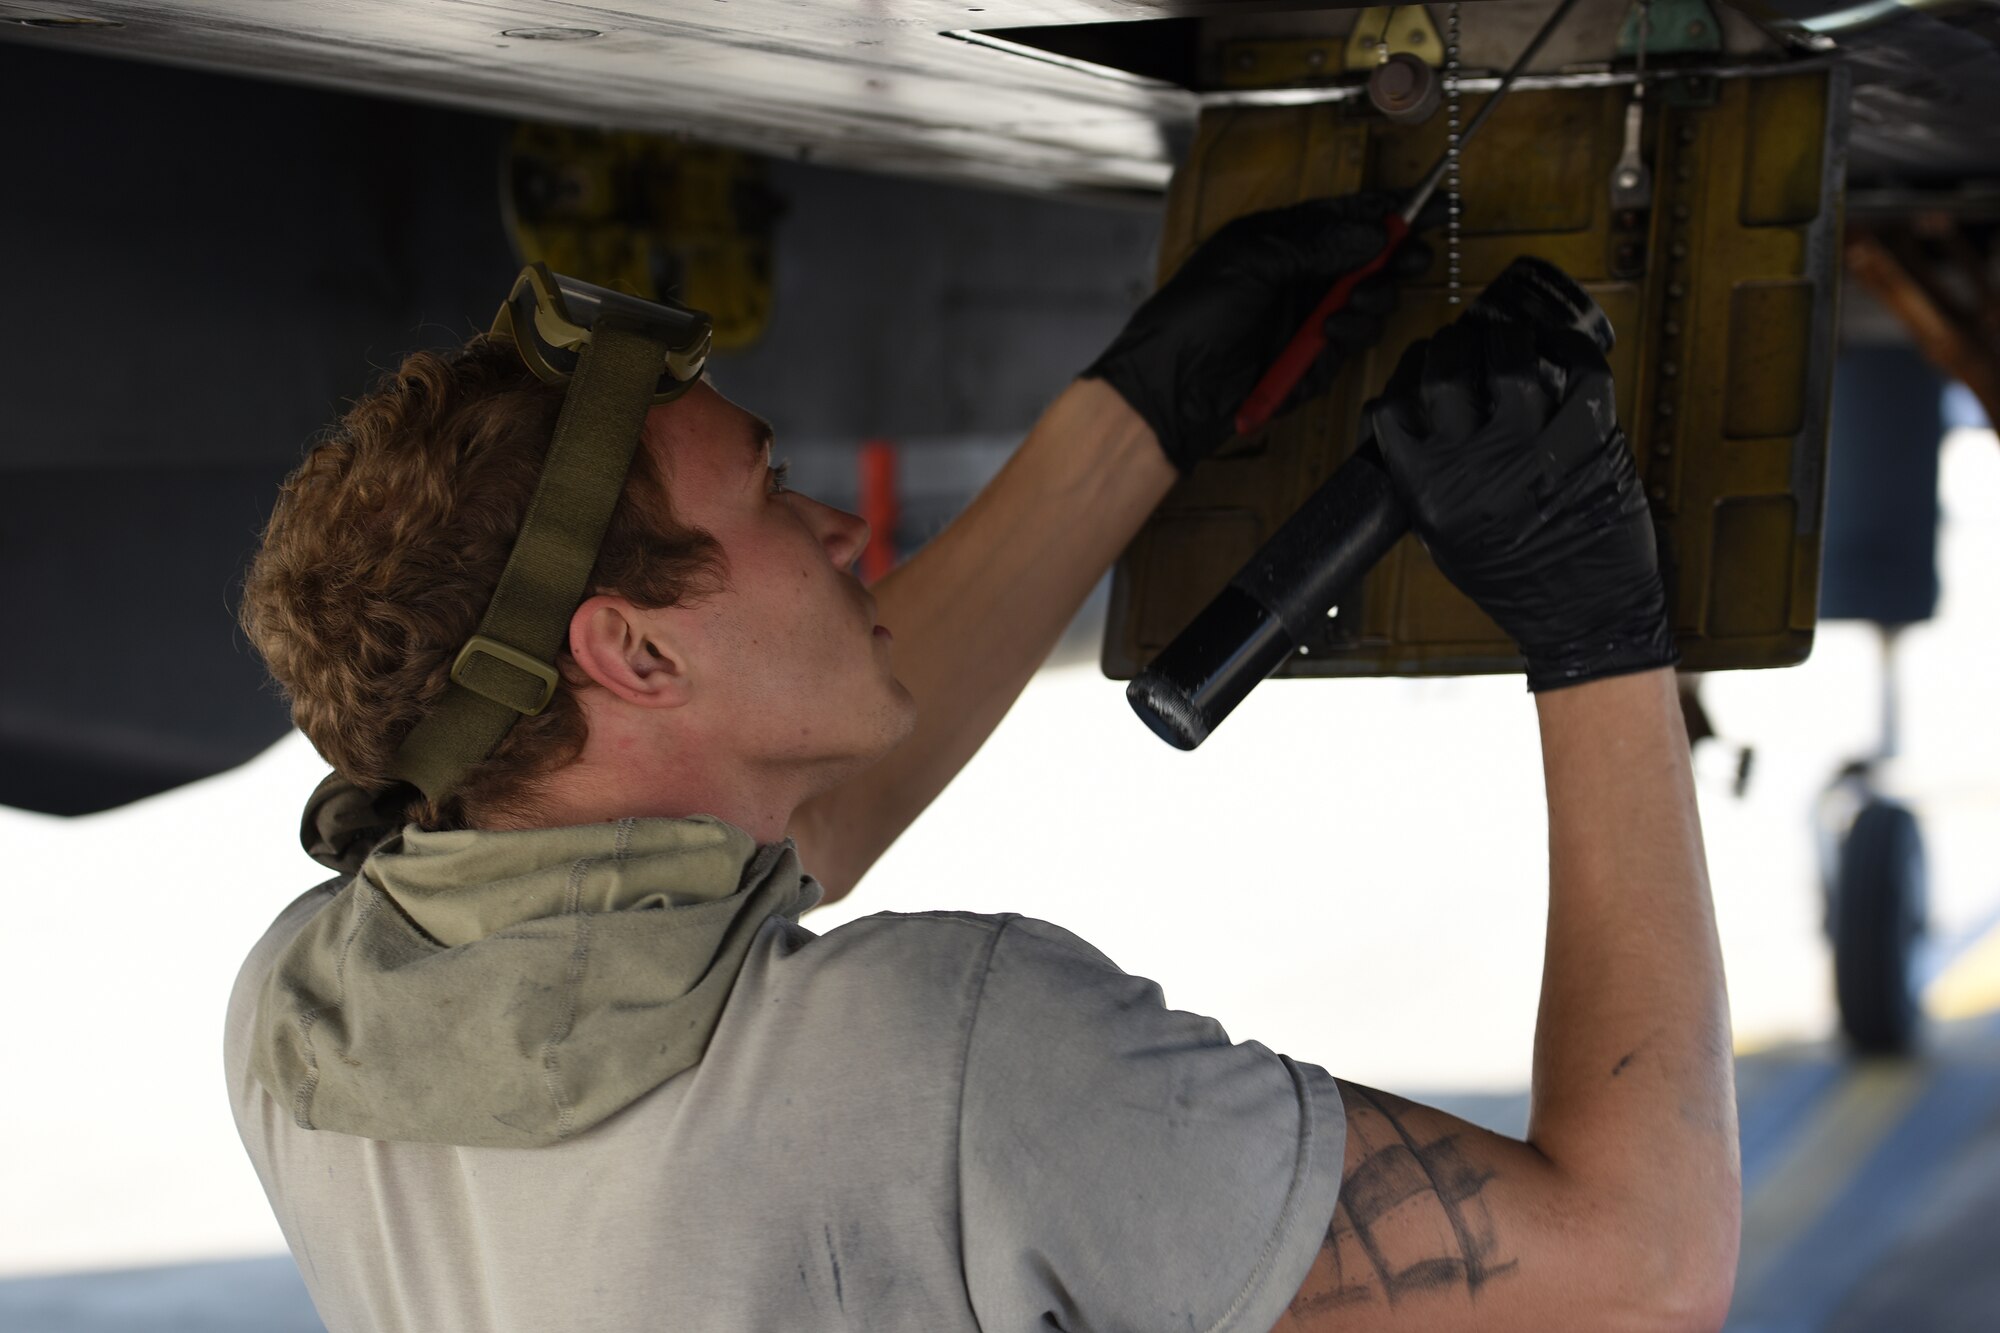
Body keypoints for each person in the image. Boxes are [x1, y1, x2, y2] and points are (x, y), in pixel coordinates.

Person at [226, 192, 1740, 1332]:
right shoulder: (958, 1063)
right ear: (636, 655)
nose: (842, 531)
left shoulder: (304, 1023)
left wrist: (1139, 409)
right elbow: (1641, 1267)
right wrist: (1595, 624)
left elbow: (755, 833)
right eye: (771, 491)